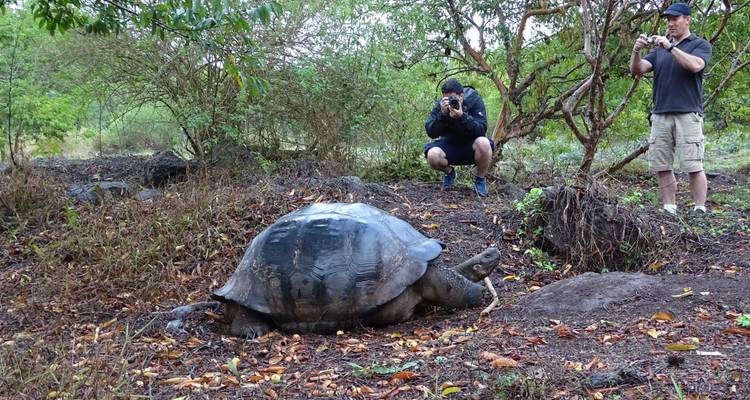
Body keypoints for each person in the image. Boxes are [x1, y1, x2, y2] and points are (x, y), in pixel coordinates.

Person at [630, 2, 712, 214]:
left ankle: (699, 209)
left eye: (675, 19)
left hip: (688, 113)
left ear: (687, 19)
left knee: (694, 165)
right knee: (662, 165)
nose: (671, 23)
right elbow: (638, 70)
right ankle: (669, 208)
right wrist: (636, 50)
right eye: (668, 20)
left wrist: (670, 47)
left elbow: (695, 66)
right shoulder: (659, 50)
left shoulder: (699, 45)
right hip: (660, 114)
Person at [424, 79, 494, 196]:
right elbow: (431, 132)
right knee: (432, 155)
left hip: (471, 146)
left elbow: (482, 129)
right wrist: (442, 115)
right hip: (449, 145)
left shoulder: (474, 100)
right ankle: (449, 173)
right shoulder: (441, 105)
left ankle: (480, 179)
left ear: (461, 96)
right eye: (446, 98)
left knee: (484, 143)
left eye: (452, 98)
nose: (450, 101)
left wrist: (462, 117)